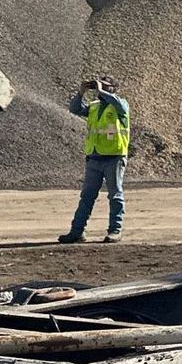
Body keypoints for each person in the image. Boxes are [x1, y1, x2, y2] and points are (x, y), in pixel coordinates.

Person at [60, 76, 130, 244]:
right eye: (100, 86)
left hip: (114, 157)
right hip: (94, 157)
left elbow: (118, 105)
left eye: (106, 86)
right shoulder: (94, 106)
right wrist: (81, 92)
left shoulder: (120, 104)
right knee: (87, 196)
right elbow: (74, 109)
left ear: (113, 88)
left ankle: (115, 230)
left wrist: (101, 90)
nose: (101, 89)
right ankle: (77, 231)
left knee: (115, 195)